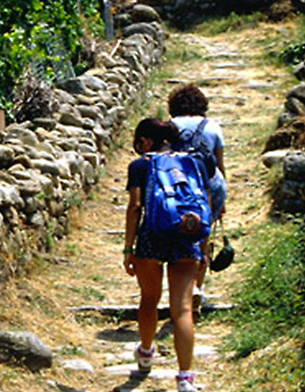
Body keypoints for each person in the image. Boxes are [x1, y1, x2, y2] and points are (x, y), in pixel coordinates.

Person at [123, 118, 214, 392]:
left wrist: (128, 248)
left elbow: (135, 206)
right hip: (187, 235)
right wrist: (204, 247)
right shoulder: (195, 163)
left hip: (152, 237)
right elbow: (206, 203)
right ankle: (185, 376)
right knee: (183, 309)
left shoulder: (141, 165)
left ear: (146, 141)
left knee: (149, 299)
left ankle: (146, 352)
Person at [167, 84, 227, 307]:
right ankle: (196, 288)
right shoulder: (212, 127)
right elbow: (219, 165)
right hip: (209, 187)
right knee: (203, 237)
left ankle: (180, 291)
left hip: (177, 188)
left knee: (177, 235)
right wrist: (222, 201)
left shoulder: (169, 126)